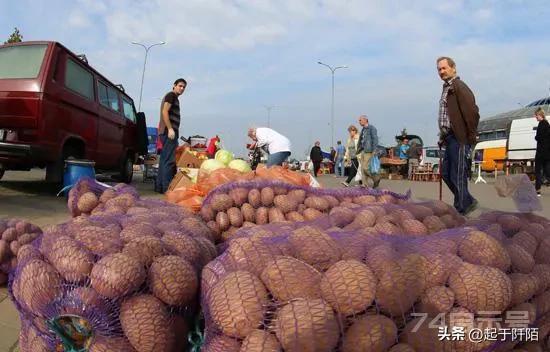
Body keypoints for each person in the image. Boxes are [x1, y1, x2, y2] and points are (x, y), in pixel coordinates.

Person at [436, 56, 480, 215]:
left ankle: (461, 209)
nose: (441, 71)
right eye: (439, 69)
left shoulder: (459, 86)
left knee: (457, 174)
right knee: (447, 174)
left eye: (444, 68)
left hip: (459, 138)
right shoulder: (447, 88)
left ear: (453, 68)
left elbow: (473, 113)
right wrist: (442, 135)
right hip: (448, 138)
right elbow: (448, 116)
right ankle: (467, 201)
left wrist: (470, 136)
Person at [155, 78, 186, 193]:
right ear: (174, 85)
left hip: (166, 132)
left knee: (164, 160)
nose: (182, 88)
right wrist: (170, 129)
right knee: (169, 161)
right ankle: (167, 189)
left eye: (184, 87)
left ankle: (159, 187)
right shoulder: (171, 95)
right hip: (169, 133)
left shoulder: (174, 98)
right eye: (180, 86)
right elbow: (164, 111)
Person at [357, 115, 381, 188]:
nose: (359, 122)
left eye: (360, 120)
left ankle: (376, 178)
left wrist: (374, 150)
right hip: (363, 151)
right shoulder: (363, 129)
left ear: (365, 120)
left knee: (365, 168)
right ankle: (364, 184)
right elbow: (361, 141)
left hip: (369, 151)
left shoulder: (372, 128)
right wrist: (358, 151)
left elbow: (375, 139)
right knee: (362, 169)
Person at [534, 107, 550, 196]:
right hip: (547, 153)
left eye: (536, 116)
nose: (535, 117)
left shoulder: (541, 124)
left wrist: (536, 137)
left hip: (540, 152)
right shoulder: (548, 124)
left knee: (538, 171)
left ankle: (538, 190)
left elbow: (539, 137)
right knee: (547, 171)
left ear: (540, 115)